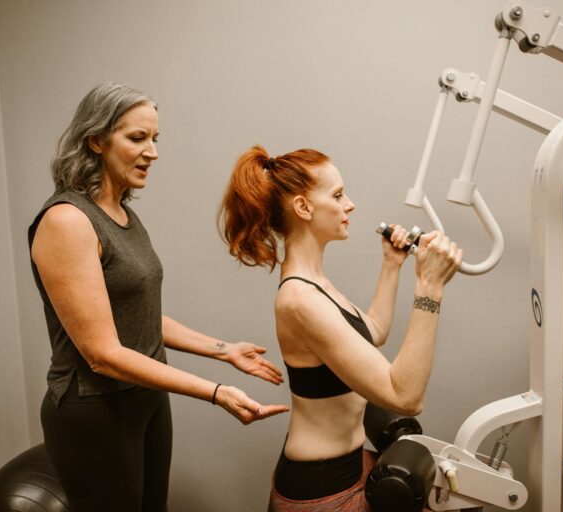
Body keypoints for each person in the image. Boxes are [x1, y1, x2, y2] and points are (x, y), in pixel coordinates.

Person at [28, 84, 289, 512]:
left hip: (145, 398)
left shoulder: (125, 215)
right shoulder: (66, 221)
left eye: (155, 139)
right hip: (95, 410)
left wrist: (223, 351)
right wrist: (216, 392)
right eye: (137, 138)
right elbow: (102, 353)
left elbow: (139, 316)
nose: (152, 151)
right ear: (96, 140)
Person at [218, 145, 462, 511]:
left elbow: (373, 331)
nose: (350, 204)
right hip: (320, 489)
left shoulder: (316, 284)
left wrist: (391, 265)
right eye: (337, 195)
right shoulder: (300, 299)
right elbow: (405, 396)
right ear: (303, 208)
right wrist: (429, 288)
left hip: (352, 467)